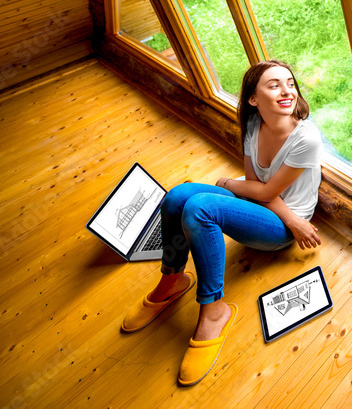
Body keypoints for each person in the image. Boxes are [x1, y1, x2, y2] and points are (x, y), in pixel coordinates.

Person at [121, 59, 323, 386]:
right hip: (258, 204)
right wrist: (238, 187)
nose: (287, 90)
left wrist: (229, 185)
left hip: (284, 225)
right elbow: (257, 186)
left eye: (289, 83)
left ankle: (214, 310)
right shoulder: (255, 124)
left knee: (200, 208)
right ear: (254, 100)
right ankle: (172, 280)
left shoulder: (306, 138)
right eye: (274, 85)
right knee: (176, 196)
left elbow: (267, 190)